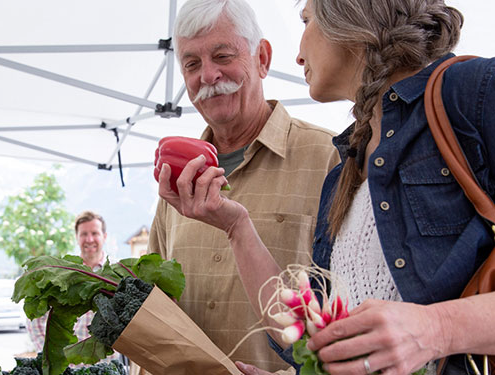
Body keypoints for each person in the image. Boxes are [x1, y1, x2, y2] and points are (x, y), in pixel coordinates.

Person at [156, 0, 495, 374]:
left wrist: (438, 328)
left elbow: (420, 331)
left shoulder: (471, 92)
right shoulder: (347, 167)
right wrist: (236, 227)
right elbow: (306, 336)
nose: (298, 56)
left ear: (350, 15)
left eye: (306, 21)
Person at [145, 0, 340, 373]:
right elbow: (157, 302)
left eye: (222, 55)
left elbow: (357, 304)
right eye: (192, 64)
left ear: (262, 58)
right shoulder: (176, 180)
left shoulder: (329, 159)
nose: (208, 75)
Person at [27, 211, 122, 364]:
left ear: (104, 236)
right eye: (84, 234)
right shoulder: (61, 274)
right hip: (69, 368)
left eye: (94, 233)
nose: (89, 239)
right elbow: (36, 320)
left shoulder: (118, 274)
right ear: (77, 237)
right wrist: (52, 354)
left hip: (108, 366)